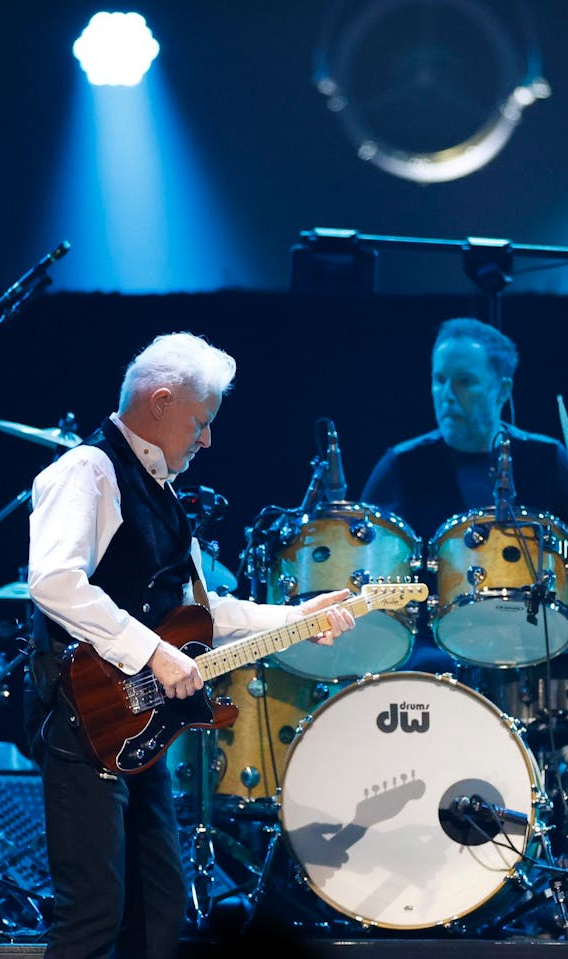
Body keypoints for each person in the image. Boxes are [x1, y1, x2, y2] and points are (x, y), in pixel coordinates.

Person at [25, 332, 355, 958]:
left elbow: (199, 614)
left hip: (135, 722)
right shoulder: (88, 470)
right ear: (162, 401)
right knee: (93, 912)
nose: (207, 439)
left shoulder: (164, 493)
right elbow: (54, 581)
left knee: (157, 908)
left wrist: (295, 616)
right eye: (201, 422)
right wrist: (153, 652)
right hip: (81, 715)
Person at [360, 317, 568, 670]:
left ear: (503, 390)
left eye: (464, 382)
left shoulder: (546, 458)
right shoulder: (401, 464)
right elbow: (367, 565)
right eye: (439, 380)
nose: (447, 394)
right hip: (432, 648)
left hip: (534, 640)